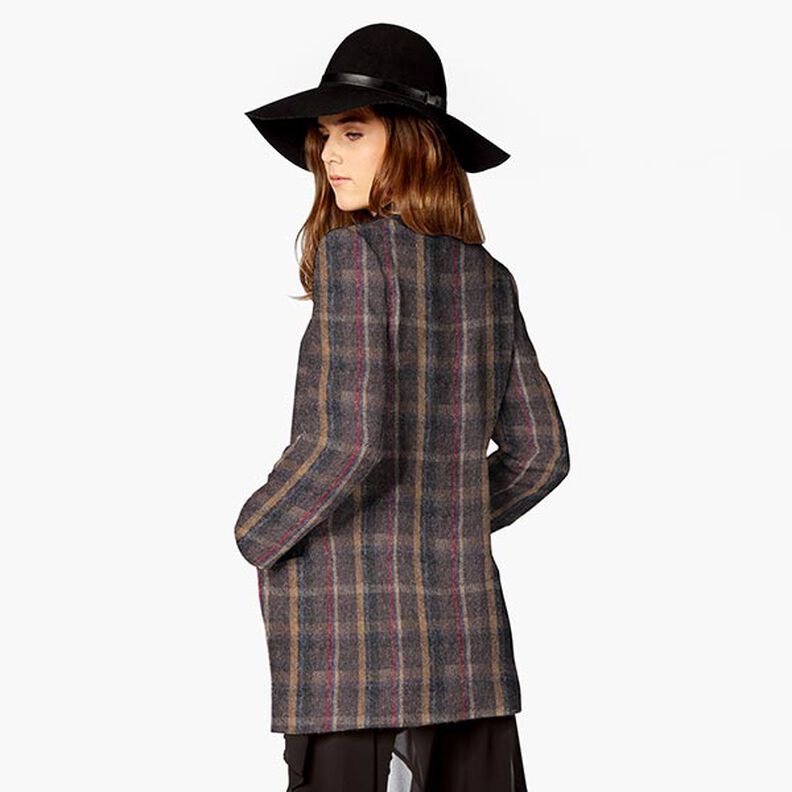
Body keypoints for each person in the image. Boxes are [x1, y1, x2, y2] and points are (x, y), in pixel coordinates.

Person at [234, 22, 571, 792]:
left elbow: (348, 444)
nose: (329, 154)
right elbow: (542, 454)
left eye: (353, 133)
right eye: (325, 136)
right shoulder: (488, 279)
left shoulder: (354, 258)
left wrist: (259, 530)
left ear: (412, 144)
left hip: (353, 643)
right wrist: (443, 518)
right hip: (466, 644)